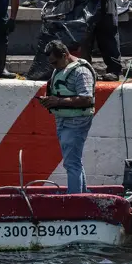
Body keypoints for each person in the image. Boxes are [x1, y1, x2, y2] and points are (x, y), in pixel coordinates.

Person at [38, 40, 96, 194]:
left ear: (64, 55)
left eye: (55, 62)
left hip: (77, 121)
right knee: (74, 161)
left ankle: (74, 199)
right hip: (63, 119)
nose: (53, 66)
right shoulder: (61, 68)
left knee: (71, 163)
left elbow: (86, 98)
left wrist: (58, 101)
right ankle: (82, 196)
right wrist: (50, 101)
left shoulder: (81, 71)